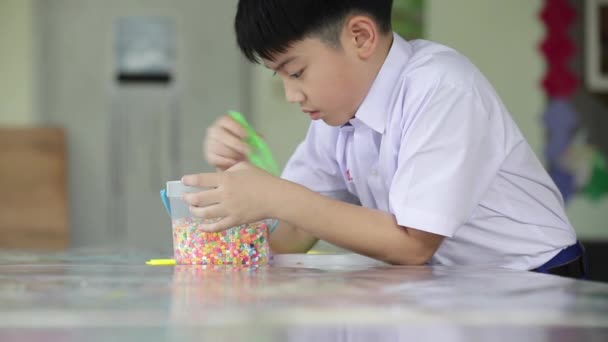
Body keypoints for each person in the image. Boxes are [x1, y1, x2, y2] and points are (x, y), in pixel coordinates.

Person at [181, 0, 586, 278]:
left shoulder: (441, 87)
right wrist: (239, 180)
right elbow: (297, 230)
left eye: (297, 72)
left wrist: (274, 196)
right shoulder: (335, 117)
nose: (291, 95)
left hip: (536, 278)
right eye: (280, 77)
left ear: (360, 37)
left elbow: (413, 245)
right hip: (455, 284)